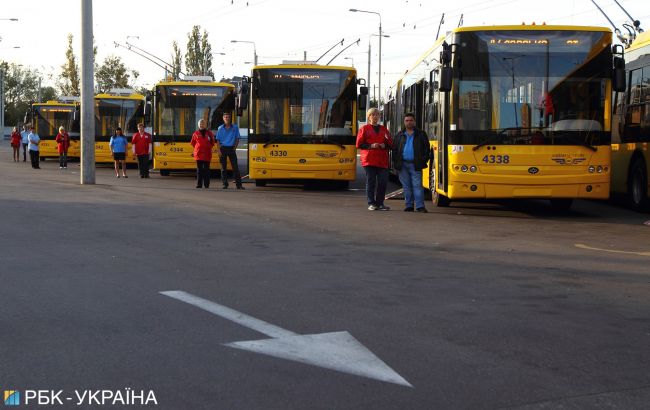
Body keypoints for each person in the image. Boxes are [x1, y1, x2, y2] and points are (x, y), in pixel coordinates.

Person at [392, 113, 430, 213]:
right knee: (406, 186)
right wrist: (396, 162)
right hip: (403, 165)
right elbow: (394, 150)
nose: (409, 122)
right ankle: (409, 206)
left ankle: (420, 206)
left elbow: (427, 149)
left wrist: (423, 160)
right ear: (404, 122)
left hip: (415, 164)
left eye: (411, 120)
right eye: (407, 120)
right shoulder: (399, 135)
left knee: (417, 186)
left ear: (414, 122)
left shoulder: (421, 134)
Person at [356, 107, 393, 210]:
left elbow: (390, 144)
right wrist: (371, 146)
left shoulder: (384, 129)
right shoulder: (364, 129)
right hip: (369, 160)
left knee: (383, 182)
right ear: (369, 117)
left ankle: (380, 203)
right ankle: (371, 203)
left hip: (382, 160)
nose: (375, 116)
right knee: (371, 182)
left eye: (377, 114)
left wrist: (383, 145)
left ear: (379, 116)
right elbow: (359, 144)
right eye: (373, 115)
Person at [216, 112, 244, 189]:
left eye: (228, 117)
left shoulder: (235, 127)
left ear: (230, 118)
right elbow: (217, 140)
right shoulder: (220, 128)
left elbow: (237, 138)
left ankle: (239, 185)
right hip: (223, 148)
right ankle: (225, 184)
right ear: (223, 118)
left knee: (235, 168)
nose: (227, 118)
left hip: (231, 149)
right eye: (225, 117)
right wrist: (219, 150)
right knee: (223, 168)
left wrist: (234, 148)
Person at [190, 119, 215, 188]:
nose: (202, 125)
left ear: (205, 125)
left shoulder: (209, 133)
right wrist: (198, 148)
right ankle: (199, 184)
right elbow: (192, 143)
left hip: (207, 154)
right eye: (200, 124)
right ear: (198, 125)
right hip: (198, 154)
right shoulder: (195, 133)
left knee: (207, 170)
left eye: (203, 124)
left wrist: (207, 147)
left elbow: (213, 143)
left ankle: (207, 185)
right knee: (199, 170)